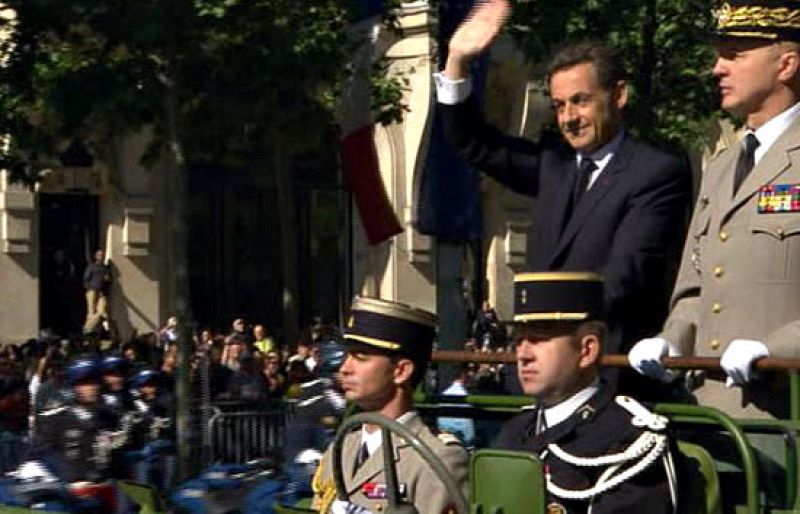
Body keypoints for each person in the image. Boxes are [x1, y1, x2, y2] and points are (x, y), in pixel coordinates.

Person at [436, 0, 692, 391]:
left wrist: (545, 330)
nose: (569, 118)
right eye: (559, 106)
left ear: (618, 95)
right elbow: (473, 143)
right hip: (541, 372)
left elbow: (626, 279)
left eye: (581, 101)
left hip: (606, 375)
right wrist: (456, 62)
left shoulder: (656, 172)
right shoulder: (554, 164)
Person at [628, 0, 800, 419]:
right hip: (711, 413)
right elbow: (695, 287)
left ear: (787, 65)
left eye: (734, 54)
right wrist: (673, 339)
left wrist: (775, 350)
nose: (717, 68)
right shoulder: (722, 165)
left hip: (786, 413)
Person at [497, 272, 675, 514]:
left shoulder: (629, 442)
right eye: (519, 340)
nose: (523, 355)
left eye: (539, 338)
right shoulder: (514, 433)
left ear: (586, 350)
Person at [311, 296, 469, 514]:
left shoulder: (436, 457)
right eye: (348, 356)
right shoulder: (342, 447)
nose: (345, 368)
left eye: (361, 357)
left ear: (400, 371)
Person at [32, 357, 122, 483]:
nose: (91, 387)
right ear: (72, 386)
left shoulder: (108, 418)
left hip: (105, 489)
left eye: (94, 382)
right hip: (72, 493)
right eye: (84, 383)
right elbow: (41, 459)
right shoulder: (56, 420)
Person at [82, 249, 111, 334]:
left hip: (102, 292)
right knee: (91, 311)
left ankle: (87, 327)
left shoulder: (105, 268)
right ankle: (91, 331)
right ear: (96, 256)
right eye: (99, 255)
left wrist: (107, 280)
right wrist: (89, 289)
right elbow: (86, 279)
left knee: (102, 311)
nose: (101, 256)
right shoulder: (91, 267)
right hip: (92, 290)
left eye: (102, 255)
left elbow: (109, 280)